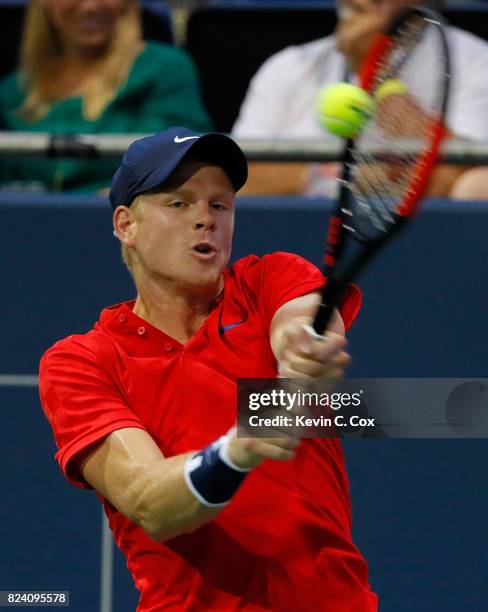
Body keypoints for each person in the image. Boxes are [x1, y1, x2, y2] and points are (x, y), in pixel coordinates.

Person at [39, 127, 377, 611]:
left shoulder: (270, 279)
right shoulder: (82, 361)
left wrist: (304, 347)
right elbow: (148, 499)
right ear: (125, 225)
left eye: (220, 205)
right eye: (179, 204)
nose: (205, 220)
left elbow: (301, 323)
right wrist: (236, 450)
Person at [232, 0, 488, 199]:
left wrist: (378, 73)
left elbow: (457, 179)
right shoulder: (286, 66)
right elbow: (234, 180)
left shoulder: (477, 63)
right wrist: (330, 177)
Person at [0, 0, 212, 192]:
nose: (91, 6)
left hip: (123, 224)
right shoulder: (16, 89)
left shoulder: (166, 70)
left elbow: (184, 172)